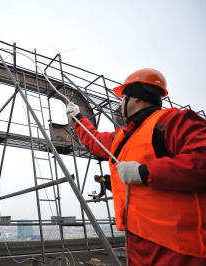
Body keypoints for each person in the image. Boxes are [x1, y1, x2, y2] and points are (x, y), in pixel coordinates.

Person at [66, 68, 206, 265]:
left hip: (177, 248)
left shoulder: (172, 121)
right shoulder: (122, 136)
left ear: (136, 98)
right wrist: (78, 118)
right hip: (137, 241)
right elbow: (94, 140)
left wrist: (144, 172)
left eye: (122, 98)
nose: (120, 104)